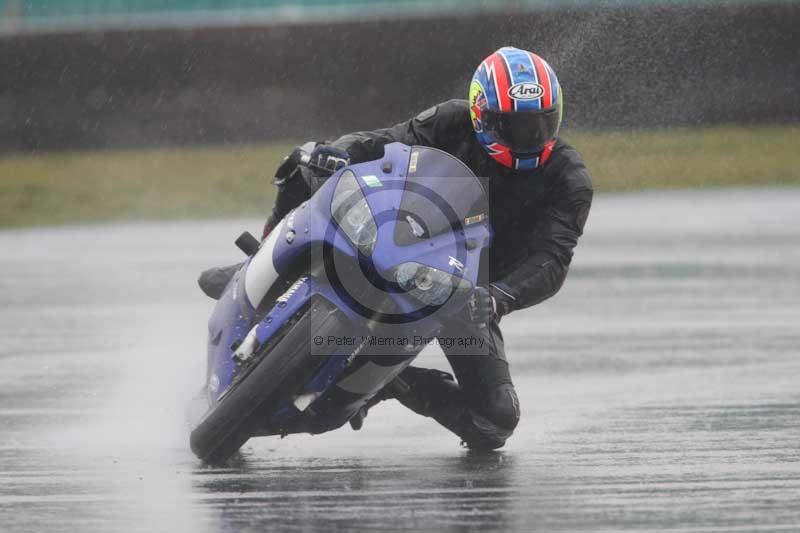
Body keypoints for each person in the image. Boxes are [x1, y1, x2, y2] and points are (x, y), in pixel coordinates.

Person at [199, 46, 593, 450]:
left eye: (542, 126)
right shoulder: (450, 120)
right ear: (481, 116)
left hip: (466, 293)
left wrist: (499, 297)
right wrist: (339, 150)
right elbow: (384, 142)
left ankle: (393, 382)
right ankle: (260, 262)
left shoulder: (569, 179)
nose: (531, 140)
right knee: (305, 162)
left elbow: (552, 259)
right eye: (515, 127)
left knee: (494, 420)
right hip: (398, 228)